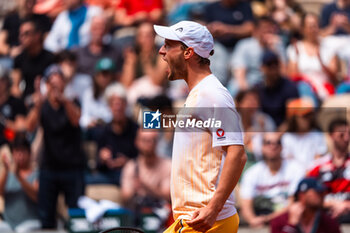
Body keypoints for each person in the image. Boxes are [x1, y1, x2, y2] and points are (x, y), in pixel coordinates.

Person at [154, 20, 247, 232]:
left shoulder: (212, 94)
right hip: (195, 220)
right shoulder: (200, 94)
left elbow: (237, 154)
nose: (161, 51)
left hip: (206, 221)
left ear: (188, 53)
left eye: (168, 45)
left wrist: (213, 208)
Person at [27, 64, 84, 228]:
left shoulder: (72, 101)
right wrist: (39, 101)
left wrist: (63, 99)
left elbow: (76, 120)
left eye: (59, 83)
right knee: (46, 218)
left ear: (64, 84)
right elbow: (30, 126)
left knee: (76, 217)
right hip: (49, 166)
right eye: (52, 84)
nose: (56, 88)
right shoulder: (42, 105)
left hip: (72, 167)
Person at [240, 133, 304, 228]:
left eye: (277, 143)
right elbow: (245, 204)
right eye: (268, 143)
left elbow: (293, 203)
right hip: (259, 221)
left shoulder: (295, 169)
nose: (273, 146)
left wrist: (267, 219)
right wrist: (252, 219)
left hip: (287, 220)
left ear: (282, 147)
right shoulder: (252, 173)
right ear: (262, 147)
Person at [86, 82, 138, 186]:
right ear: (109, 107)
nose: (117, 108)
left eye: (120, 103)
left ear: (126, 105)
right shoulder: (103, 131)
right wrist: (102, 158)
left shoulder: (135, 129)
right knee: (84, 179)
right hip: (108, 175)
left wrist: (127, 163)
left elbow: (142, 158)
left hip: (129, 174)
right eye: (114, 104)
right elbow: (98, 164)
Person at [121, 130, 171, 229]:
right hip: (137, 220)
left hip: (163, 221)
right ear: (137, 142)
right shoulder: (131, 166)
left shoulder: (168, 165)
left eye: (152, 140)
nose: (149, 144)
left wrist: (145, 186)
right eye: (145, 140)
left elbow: (168, 195)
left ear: (157, 142)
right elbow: (125, 197)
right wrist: (134, 189)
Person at [229, 16, 286, 96]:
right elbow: (239, 73)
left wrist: (274, 49)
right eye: (264, 28)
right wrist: (246, 92)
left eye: (270, 28)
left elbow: (283, 73)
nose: (268, 31)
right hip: (249, 83)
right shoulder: (244, 45)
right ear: (256, 30)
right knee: (235, 87)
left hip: (271, 84)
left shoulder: (278, 45)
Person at [287, 13, 338, 101]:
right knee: (303, 87)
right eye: (310, 27)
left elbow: (334, 77)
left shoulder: (329, 47)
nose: (313, 29)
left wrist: (321, 62)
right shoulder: (294, 48)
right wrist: (297, 57)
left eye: (315, 26)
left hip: (324, 90)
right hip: (304, 90)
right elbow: (292, 77)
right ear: (303, 29)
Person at [307, 119, 350, 223]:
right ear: (331, 136)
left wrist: (347, 204)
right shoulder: (318, 165)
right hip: (324, 216)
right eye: (341, 134)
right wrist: (332, 204)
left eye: (349, 134)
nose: (346, 138)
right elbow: (306, 195)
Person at [0, 133, 40, 232]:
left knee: (22, 230)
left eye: (23, 151)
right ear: (12, 153)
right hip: (8, 223)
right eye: (17, 151)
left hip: (31, 222)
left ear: (29, 153)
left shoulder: (37, 174)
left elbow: (37, 196)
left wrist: (19, 177)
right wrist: (6, 169)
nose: (20, 156)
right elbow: (0, 192)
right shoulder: (7, 174)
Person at [270, 177, 342, 233]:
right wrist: (291, 225)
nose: (322, 196)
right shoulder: (279, 221)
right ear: (302, 195)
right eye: (317, 192)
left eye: (323, 192)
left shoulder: (329, 222)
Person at [12, 19, 55, 101]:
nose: (22, 38)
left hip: (46, 98)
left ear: (37, 35)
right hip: (26, 100)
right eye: (21, 35)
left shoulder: (50, 58)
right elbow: (15, 86)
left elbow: (53, 84)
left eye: (26, 34)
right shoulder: (19, 59)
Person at [255, 50, 299, 127]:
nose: (273, 67)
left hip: (286, 132)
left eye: (276, 63)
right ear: (262, 68)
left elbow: (293, 117)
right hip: (264, 130)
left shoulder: (290, 87)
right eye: (269, 64)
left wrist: (277, 134)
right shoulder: (258, 88)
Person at [282, 98, 327, 169]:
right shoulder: (287, 138)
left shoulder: (317, 135)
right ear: (293, 118)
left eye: (310, 115)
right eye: (304, 116)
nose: (308, 118)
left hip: (313, 174)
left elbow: (319, 159)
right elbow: (288, 161)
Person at [79, 58, 115, 131]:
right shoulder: (89, 93)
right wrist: (89, 122)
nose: (104, 78)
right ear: (96, 76)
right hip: (94, 130)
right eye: (102, 74)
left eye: (107, 74)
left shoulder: (117, 91)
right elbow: (84, 117)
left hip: (112, 130)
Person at [0, 65, 27, 146]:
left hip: (10, 146)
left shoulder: (16, 103)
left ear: (7, 81)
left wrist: (3, 121)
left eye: (1, 80)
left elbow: (21, 129)